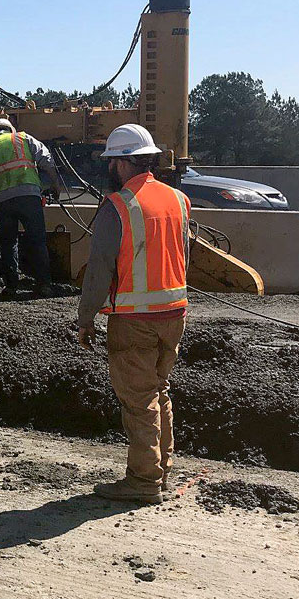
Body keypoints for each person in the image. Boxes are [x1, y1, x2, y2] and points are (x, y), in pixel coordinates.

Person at [77, 123, 191, 504]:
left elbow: (99, 269)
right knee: (158, 389)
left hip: (134, 320)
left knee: (139, 400)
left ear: (124, 163)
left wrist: (85, 318)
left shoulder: (117, 206)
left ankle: (144, 481)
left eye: (113, 162)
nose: (110, 169)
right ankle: (162, 469)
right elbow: (183, 257)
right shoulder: (177, 199)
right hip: (174, 313)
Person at [0, 118, 59, 296]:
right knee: (37, 239)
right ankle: (44, 284)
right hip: (29, 196)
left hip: (3, 201)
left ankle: (11, 286)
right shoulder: (22, 138)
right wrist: (55, 185)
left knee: (8, 243)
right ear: (10, 129)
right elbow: (47, 160)